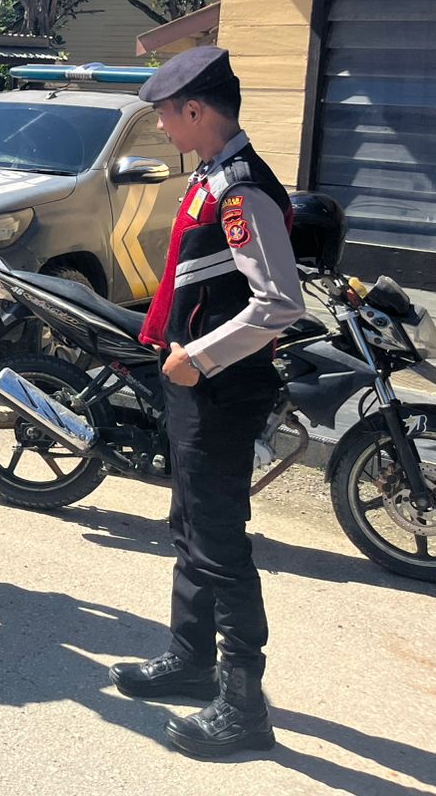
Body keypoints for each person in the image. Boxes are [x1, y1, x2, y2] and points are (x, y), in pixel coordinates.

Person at [109, 46, 303, 760]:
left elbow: (279, 303)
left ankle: (244, 706)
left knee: (219, 543)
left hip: (221, 388)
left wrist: (199, 356)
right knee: (190, 524)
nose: (162, 127)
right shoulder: (213, 175)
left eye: (166, 114)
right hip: (196, 385)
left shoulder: (242, 190)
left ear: (195, 110)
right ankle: (191, 661)